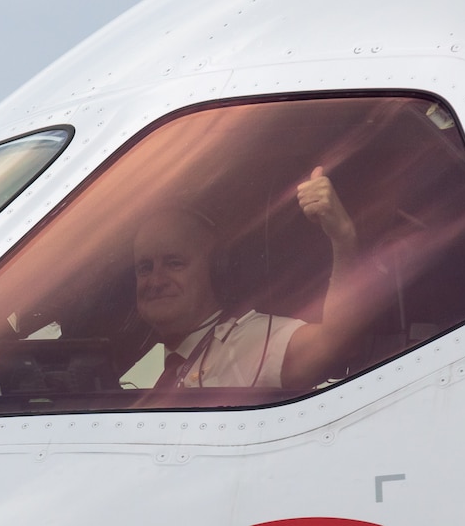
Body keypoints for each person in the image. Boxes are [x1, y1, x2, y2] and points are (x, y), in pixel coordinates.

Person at [133, 166, 369, 390]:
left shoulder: (248, 341)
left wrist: (343, 237)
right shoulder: (163, 370)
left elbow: (333, 344)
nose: (155, 280)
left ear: (217, 269)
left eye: (174, 263)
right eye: (145, 268)